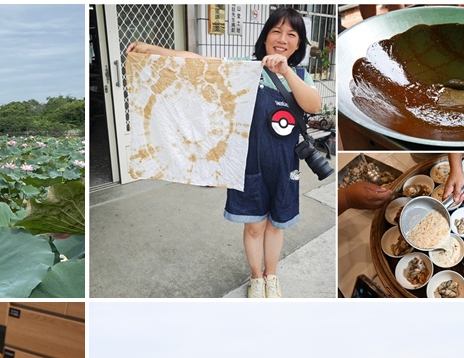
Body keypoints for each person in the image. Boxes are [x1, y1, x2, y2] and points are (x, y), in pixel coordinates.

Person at [128, 7, 322, 298]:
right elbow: (198, 61)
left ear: (298, 43)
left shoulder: (300, 75)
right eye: (276, 31)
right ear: (266, 35)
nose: (282, 39)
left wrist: (284, 72)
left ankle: (273, 276)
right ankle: (256, 278)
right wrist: (151, 49)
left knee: (275, 226)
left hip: (284, 164)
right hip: (247, 163)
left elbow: (313, 104)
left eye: (291, 34)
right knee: (254, 227)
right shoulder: (243, 68)